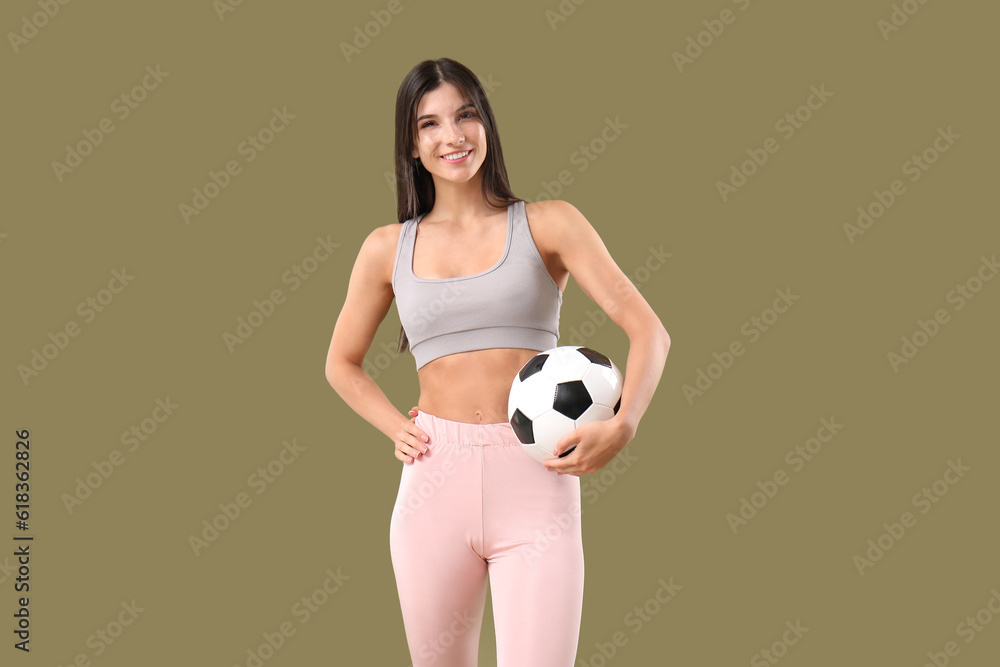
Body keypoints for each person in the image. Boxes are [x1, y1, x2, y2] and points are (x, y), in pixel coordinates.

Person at [325, 57, 670, 667]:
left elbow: (649, 330)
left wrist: (625, 422)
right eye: (429, 124)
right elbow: (341, 364)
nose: (452, 136)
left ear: (487, 121)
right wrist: (394, 427)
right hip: (433, 478)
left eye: (465, 115)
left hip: (538, 479)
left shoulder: (549, 223)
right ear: (411, 143)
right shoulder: (386, 248)